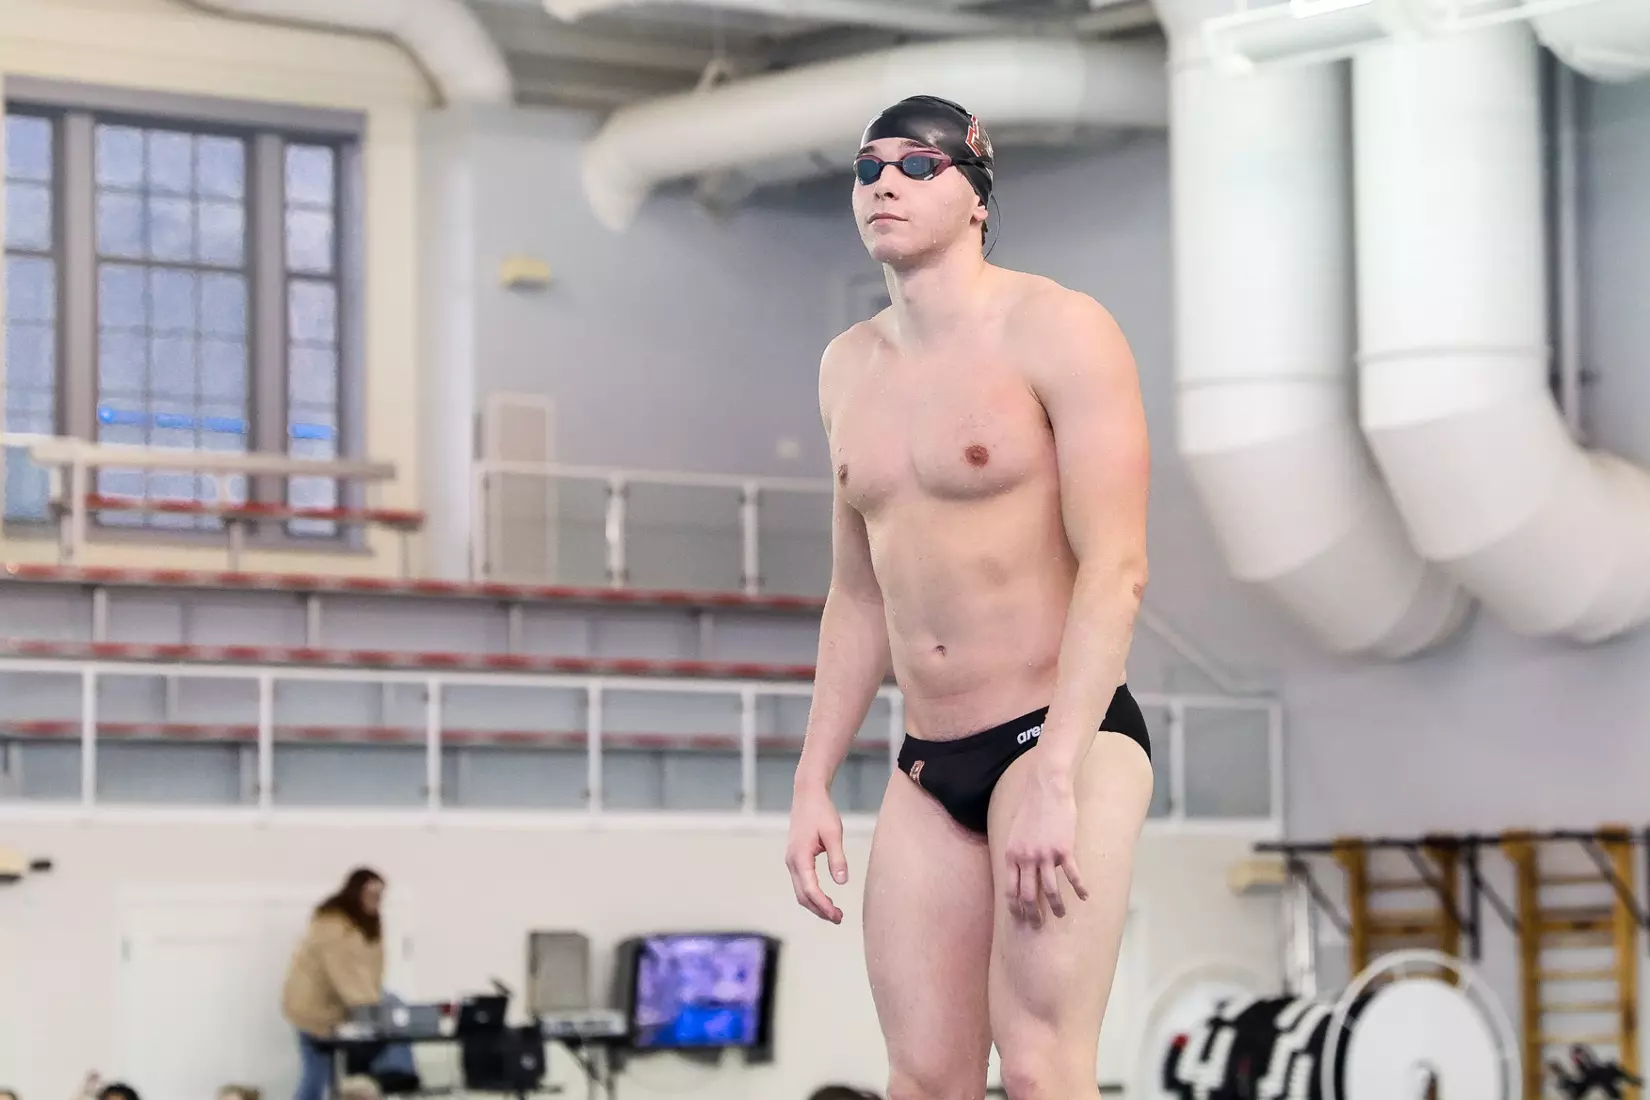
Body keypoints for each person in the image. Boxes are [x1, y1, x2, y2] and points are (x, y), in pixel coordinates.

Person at [784, 94, 1154, 1100]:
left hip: (1061, 731)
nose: (885, 186)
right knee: (922, 1076)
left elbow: (1117, 569)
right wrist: (814, 776)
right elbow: (857, 594)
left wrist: (1060, 768)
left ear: (978, 195)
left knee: (1038, 1069)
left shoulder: (1062, 331)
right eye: (868, 169)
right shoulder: (846, 367)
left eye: (917, 165)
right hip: (926, 759)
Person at [282, 868, 387, 1100]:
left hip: (337, 1011)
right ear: (355, 892)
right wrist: (371, 1009)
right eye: (371, 894)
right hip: (312, 1011)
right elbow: (345, 972)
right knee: (316, 1077)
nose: (376, 901)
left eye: (380, 895)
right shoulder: (333, 925)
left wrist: (372, 1004)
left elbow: (372, 971)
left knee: (334, 1080)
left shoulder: (366, 923)